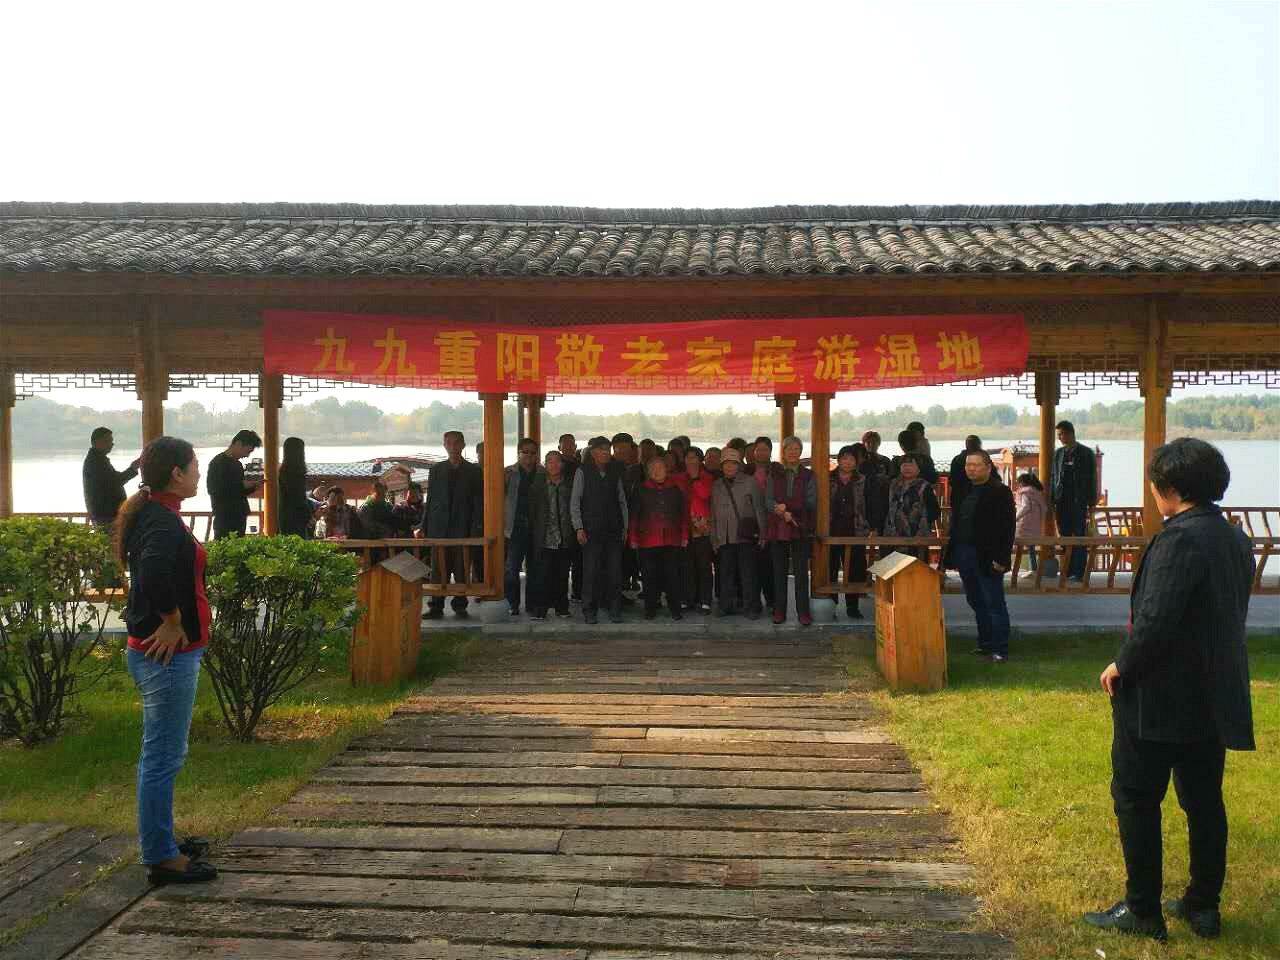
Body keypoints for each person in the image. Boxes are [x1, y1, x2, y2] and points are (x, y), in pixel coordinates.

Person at [1084, 438, 1255, 943]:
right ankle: (1203, 904)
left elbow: (1157, 619)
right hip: (1213, 691)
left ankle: (1142, 910)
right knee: (1203, 801)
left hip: (1161, 696)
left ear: (1171, 489)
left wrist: (1122, 664)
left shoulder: (1178, 540)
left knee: (1136, 797)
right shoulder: (1233, 538)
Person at [115, 436, 217, 885]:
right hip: (167, 658)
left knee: (164, 753)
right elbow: (153, 573)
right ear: (176, 473)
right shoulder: (160, 520)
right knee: (162, 756)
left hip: (167, 656)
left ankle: (163, 840)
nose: (198, 472)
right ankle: (160, 857)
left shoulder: (159, 513)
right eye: (194, 465)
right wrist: (173, 620)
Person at [942, 450, 1015, 661]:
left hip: (988, 555)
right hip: (964, 552)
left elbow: (1007, 529)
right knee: (975, 601)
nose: (971, 469)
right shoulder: (963, 490)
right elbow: (956, 524)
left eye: (976, 465)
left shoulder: (1000, 492)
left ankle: (1000, 649)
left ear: (988, 467)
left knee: (994, 603)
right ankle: (985, 644)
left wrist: (1002, 559)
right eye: (968, 465)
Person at [421, 431, 482, 619]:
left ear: (463, 445)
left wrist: (475, 527)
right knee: (438, 570)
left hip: (463, 525)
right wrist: (424, 525)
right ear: (444, 446)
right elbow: (430, 500)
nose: (453, 447)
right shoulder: (436, 470)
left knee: (461, 568)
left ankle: (460, 605)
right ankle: (435, 606)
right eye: (449, 443)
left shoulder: (474, 471)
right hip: (439, 526)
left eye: (456, 443)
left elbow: (478, 502)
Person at [571, 436, 629, 624]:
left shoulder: (614, 471)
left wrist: (625, 527)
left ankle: (615, 609)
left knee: (615, 572)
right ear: (593, 452)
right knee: (591, 572)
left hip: (613, 529)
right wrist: (578, 527)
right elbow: (575, 502)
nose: (606, 453)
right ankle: (589, 609)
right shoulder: (582, 471)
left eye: (607, 450)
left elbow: (621, 500)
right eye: (602, 449)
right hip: (591, 530)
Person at [628, 456, 689, 620]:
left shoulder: (675, 489)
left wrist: (684, 535)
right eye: (653, 469)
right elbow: (634, 516)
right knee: (649, 576)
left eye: (660, 468)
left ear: (666, 470)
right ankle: (650, 608)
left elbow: (683, 515)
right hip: (647, 540)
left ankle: (675, 608)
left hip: (672, 539)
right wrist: (633, 538)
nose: (657, 471)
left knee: (672, 575)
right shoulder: (640, 489)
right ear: (648, 472)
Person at [766, 436, 817, 626]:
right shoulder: (774, 473)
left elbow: (810, 502)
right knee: (778, 572)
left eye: (796, 449)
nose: (793, 452)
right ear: (784, 452)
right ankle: (779, 611)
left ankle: (803, 613)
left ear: (801, 451)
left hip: (799, 527)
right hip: (778, 528)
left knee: (801, 573)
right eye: (789, 449)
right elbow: (767, 500)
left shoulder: (809, 475)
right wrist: (778, 510)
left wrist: (787, 510)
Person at [709, 447, 766, 619]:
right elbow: (713, 513)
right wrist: (714, 538)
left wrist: (763, 533)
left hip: (745, 536)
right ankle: (725, 606)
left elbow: (759, 509)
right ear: (722, 466)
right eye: (726, 463)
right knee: (725, 573)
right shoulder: (717, 485)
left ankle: (752, 607)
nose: (729, 467)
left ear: (739, 465)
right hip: (724, 536)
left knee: (748, 573)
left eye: (733, 463)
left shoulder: (750, 482)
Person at [527, 450, 575, 620]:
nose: (554, 465)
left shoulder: (569, 485)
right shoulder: (537, 486)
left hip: (565, 537)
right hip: (544, 537)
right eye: (550, 461)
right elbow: (532, 513)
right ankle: (540, 610)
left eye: (557, 461)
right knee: (542, 576)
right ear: (545, 465)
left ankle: (562, 608)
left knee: (562, 575)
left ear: (562, 464)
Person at [1050, 420, 1098, 582]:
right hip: (1061, 501)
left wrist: (1092, 502)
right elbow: (1053, 477)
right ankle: (1067, 570)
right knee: (1064, 536)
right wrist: (1052, 499)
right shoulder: (1058, 454)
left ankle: (1079, 572)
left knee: (1079, 536)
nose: (1059, 438)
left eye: (1061, 434)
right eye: (1058, 435)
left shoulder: (1086, 453)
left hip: (1079, 501)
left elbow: (1093, 478)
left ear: (1070, 433)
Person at [503, 438, 544, 615]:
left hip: (536, 528)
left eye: (532, 452)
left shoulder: (543, 473)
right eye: (525, 452)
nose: (529, 456)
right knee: (511, 568)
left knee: (534, 569)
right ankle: (512, 603)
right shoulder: (508, 473)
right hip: (514, 527)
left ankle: (531, 605)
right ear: (518, 453)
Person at [829, 444, 869, 619]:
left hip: (855, 530)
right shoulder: (828, 479)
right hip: (832, 529)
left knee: (855, 570)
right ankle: (830, 606)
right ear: (838, 460)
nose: (847, 462)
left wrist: (869, 525)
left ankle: (852, 607)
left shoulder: (863, 480)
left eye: (851, 459)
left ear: (856, 462)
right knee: (830, 568)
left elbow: (869, 504)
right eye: (844, 458)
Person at [745, 436, 779, 614]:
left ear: (771, 451)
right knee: (752, 565)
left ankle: (772, 600)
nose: (761, 453)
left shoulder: (777, 469)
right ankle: (754, 601)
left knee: (770, 565)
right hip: (750, 522)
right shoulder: (746, 470)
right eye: (758, 449)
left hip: (772, 521)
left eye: (765, 449)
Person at [884, 454, 941, 561]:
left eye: (911, 465)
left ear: (919, 468)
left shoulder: (925, 486)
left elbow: (934, 511)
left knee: (916, 567)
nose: (907, 468)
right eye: (904, 465)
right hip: (892, 535)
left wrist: (922, 525)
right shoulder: (892, 485)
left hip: (917, 535)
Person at [206, 430, 261, 539]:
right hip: (224, 517)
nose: (247, 456)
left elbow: (239, 492)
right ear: (238, 444)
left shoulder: (238, 464)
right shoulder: (218, 463)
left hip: (240, 516)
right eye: (247, 451)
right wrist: (242, 485)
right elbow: (214, 489)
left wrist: (253, 487)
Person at [83, 427, 140, 529]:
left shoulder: (97, 459)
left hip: (105, 515)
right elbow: (116, 481)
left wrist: (133, 468)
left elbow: (113, 480)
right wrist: (133, 468)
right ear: (99, 442)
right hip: (106, 516)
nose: (112, 444)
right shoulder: (96, 462)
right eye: (109, 440)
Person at [682, 447, 716, 613]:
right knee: (686, 565)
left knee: (703, 565)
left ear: (701, 460)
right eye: (688, 458)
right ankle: (688, 598)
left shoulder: (707, 477)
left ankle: (705, 600)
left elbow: (704, 495)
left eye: (694, 457)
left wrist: (695, 479)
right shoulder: (680, 477)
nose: (691, 461)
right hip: (684, 526)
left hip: (702, 526)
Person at [558, 432, 584, 602]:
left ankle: (577, 592)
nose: (568, 447)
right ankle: (559, 596)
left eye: (571, 444)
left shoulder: (581, 466)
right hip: (560, 518)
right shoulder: (555, 465)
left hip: (578, 517)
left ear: (575, 447)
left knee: (579, 559)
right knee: (562, 560)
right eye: (565, 444)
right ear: (559, 447)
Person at [278, 437, 314, 538]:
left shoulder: (283, 471)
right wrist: (309, 515)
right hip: (297, 518)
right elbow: (299, 498)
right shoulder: (297, 473)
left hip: (285, 516)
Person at [1014, 473, 1047, 573]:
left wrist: (1016, 518)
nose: (1018, 486)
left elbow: (1026, 506)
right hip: (1035, 523)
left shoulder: (1025, 493)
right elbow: (1044, 508)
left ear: (1022, 483)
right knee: (1031, 548)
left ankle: (1015, 568)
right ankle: (1033, 569)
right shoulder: (1037, 493)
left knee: (1018, 544)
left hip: (1025, 523)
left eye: (1018, 483)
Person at [948, 435, 983, 508]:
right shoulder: (982, 460)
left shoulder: (956, 459)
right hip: (978, 499)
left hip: (958, 499)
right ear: (978, 446)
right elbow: (995, 478)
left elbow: (952, 480)